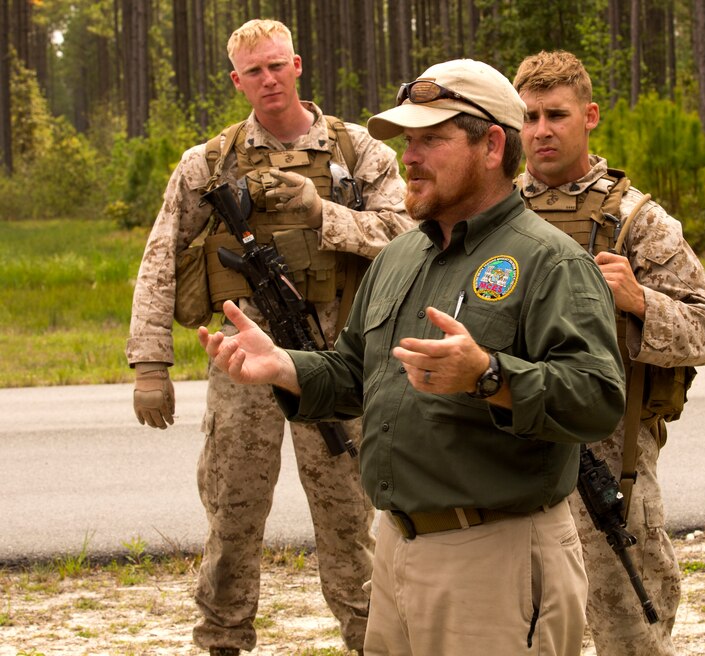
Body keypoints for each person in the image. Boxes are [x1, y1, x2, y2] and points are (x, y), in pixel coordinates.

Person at [197, 58, 627, 656]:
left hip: (494, 559)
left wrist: (488, 375)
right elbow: (354, 371)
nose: (410, 156)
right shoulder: (400, 257)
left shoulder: (549, 261)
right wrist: (284, 366)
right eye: (408, 140)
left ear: (492, 145)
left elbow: (597, 399)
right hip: (397, 550)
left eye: (432, 139)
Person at [127, 19, 412, 656]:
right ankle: (222, 640)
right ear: (237, 81)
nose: (269, 79)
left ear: (298, 65)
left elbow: (407, 233)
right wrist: (150, 365)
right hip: (240, 365)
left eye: (277, 65)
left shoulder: (358, 151)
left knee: (350, 519)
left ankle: (371, 640)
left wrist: (323, 214)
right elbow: (162, 257)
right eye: (254, 71)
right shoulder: (209, 161)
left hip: (335, 357)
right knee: (232, 513)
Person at [512, 50, 705, 656]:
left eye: (556, 114)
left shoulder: (638, 221)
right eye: (528, 117)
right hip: (510, 449)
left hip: (611, 461)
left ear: (591, 116)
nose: (541, 131)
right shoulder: (496, 213)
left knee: (630, 628)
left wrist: (639, 302)